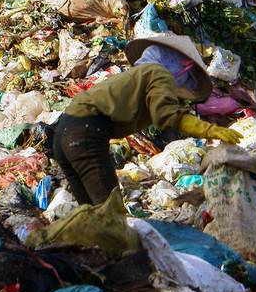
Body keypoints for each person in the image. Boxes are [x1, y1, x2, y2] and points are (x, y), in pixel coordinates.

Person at [50, 32, 240, 205]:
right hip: (85, 132)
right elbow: (166, 115)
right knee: (109, 210)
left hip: (64, 132)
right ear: (180, 66)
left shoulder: (140, 76)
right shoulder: (159, 74)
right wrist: (210, 130)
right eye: (187, 78)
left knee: (90, 211)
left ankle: (89, 243)